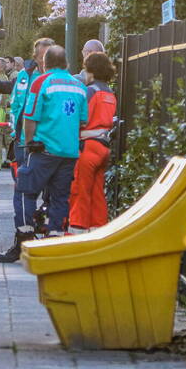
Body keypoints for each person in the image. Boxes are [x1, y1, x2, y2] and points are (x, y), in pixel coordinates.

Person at [0, 38, 56, 261]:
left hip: (46, 144)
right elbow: (12, 90)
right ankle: (23, 240)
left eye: (50, 55)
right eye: (43, 56)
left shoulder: (54, 79)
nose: (46, 60)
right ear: (36, 56)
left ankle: (49, 241)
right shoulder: (25, 75)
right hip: (23, 143)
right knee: (22, 193)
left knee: (52, 194)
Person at [14, 45, 88, 243]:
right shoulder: (79, 86)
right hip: (69, 152)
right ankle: (54, 237)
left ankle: (25, 236)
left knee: (25, 192)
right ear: (67, 63)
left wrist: (29, 143)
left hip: (43, 150)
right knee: (59, 198)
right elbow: (82, 121)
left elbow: (30, 117)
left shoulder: (41, 82)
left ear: (45, 64)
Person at [68, 52, 118, 233]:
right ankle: (99, 232)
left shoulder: (90, 91)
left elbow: (79, 119)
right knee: (98, 194)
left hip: (87, 147)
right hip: (103, 148)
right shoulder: (109, 93)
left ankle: (77, 233)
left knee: (80, 192)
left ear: (90, 70)